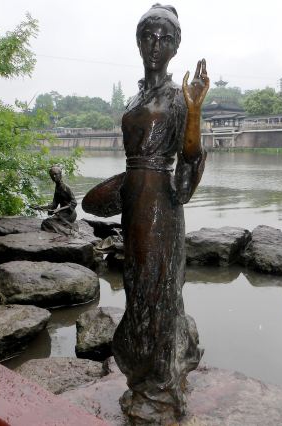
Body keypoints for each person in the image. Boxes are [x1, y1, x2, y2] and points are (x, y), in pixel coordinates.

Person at [110, 4, 209, 423]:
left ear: (176, 46)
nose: (156, 44)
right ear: (138, 40)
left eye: (165, 38)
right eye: (149, 35)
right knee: (136, 287)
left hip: (160, 204)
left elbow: (188, 162)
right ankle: (141, 377)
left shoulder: (176, 97)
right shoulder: (138, 95)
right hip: (133, 198)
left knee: (159, 291)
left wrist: (195, 111)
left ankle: (162, 385)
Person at [32, 165, 78, 235]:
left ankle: (67, 232)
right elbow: (54, 205)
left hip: (70, 213)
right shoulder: (57, 189)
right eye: (52, 175)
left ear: (60, 175)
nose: (54, 177)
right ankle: (65, 229)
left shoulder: (66, 188)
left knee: (47, 222)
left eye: (56, 174)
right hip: (62, 213)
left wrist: (59, 209)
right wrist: (39, 207)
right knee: (46, 222)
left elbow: (74, 203)